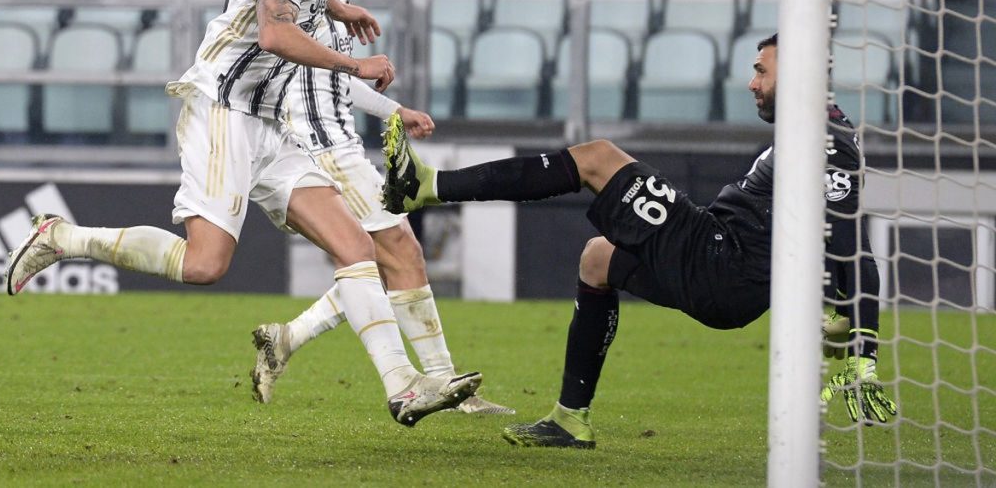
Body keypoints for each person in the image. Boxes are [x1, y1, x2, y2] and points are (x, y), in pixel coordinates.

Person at [5, 0, 480, 427]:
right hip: (223, 109)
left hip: (271, 123)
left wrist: (336, 4)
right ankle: (63, 237)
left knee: (356, 247)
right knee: (206, 265)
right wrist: (354, 66)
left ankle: (403, 386)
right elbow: (277, 32)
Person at [380, 33, 897, 448]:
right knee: (598, 258)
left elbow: (854, 244)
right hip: (719, 268)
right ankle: (569, 418)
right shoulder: (810, 132)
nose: (751, 82)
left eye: (762, 70)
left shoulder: (830, 144)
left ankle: (428, 186)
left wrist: (864, 352)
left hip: (721, 259)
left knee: (598, 157)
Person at [249, 0, 513, 414]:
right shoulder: (291, 1)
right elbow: (299, 64)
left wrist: (397, 110)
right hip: (317, 148)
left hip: (343, 143)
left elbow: (337, 81)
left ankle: (287, 338)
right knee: (400, 253)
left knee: (381, 261)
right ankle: (445, 385)